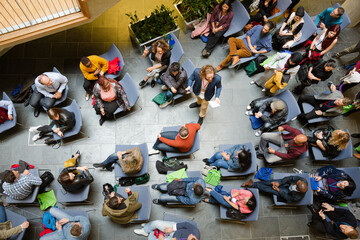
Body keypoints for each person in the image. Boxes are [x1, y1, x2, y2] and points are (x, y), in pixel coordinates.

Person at [242, 175, 308, 203]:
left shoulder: (297, 197)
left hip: (287, 192)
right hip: (287, 183)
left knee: (269, 189)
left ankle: (253, 184)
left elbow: (288, 198)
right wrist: (279, 183)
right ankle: (254, 184)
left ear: (297, 188)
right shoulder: (302, 180)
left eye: (297, 183)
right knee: (271, 182)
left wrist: (279, 190)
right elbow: (290, 178)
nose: (298, 181)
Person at [134, 220, 200, 240]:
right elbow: (186, 224)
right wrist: (172, 228)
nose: (190, 234)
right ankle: (146, 229)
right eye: (191, 235)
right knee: (156, 223)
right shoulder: (195, 232)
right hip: (175, 230)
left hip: (172, 239)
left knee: (150, 239)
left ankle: (152, 230)